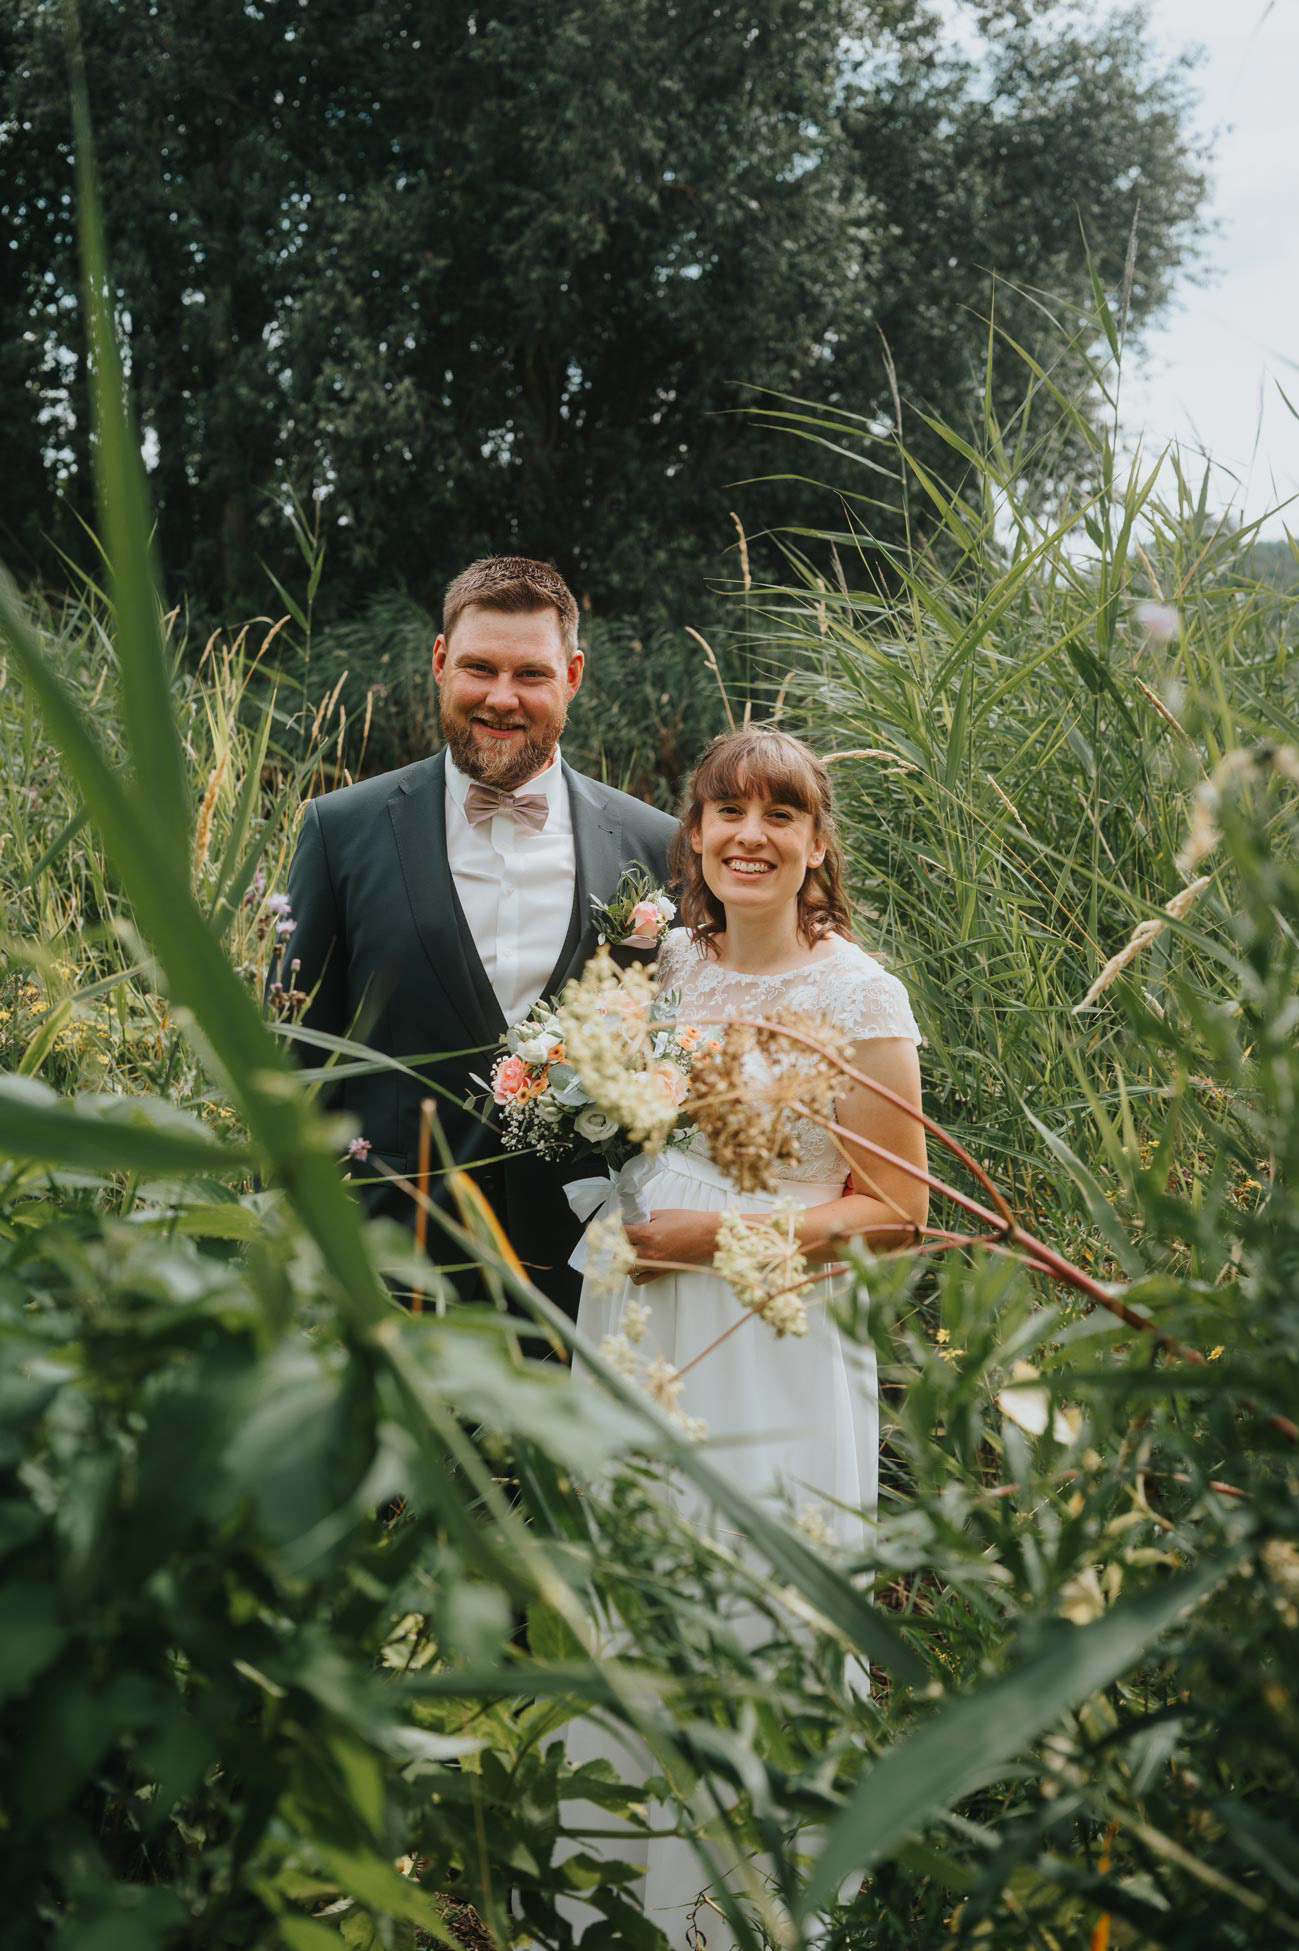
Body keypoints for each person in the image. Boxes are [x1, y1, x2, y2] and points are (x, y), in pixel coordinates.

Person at [563, 725, 928, 1942]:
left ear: (818, 843)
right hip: (637, 1314)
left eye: (780, 814)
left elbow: (896, 1212)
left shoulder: (861, 994)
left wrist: (711, 1240)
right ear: (696, 836)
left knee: (762, 1599)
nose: (750, 836)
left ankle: (755, 1914)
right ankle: (616, 1898)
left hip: (772, 1331)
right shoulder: (663, 966)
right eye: (728, 812)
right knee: (636, 1584)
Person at [278, 555, 676, 1315]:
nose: (501, 697)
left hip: (588, 1273)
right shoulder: (340, 831)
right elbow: (298, 1058)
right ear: (439, 662)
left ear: (573, 676)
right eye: (479, 668)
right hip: (390, 1261)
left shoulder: (656, 845)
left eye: (530, 674)